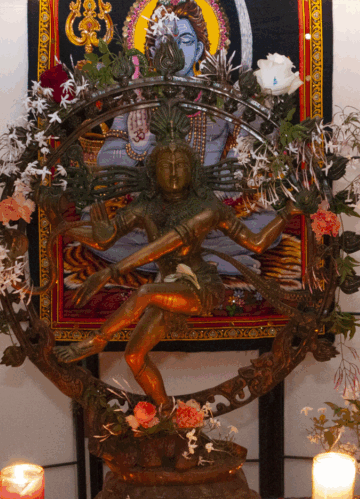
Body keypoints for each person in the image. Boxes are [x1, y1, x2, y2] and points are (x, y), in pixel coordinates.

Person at [52, 103, 297, 409]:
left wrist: (285, 214)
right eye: (165, 166)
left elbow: (257, 243)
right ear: (153, 171)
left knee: (145, 291)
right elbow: (104, 239)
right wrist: (67, 228)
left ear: (193, 169)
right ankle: (165, 412)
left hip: (199, 286)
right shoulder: (147, 206)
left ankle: (98, 340)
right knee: (133, 355)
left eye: (180, 164)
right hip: (165, 285)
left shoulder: (208, 208)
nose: (172, 172)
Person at [97, 0, 238, 169]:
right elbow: (104, 160)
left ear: (199, 50)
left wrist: (223, 183)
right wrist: (136, 148)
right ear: (152, 50)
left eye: (186, 41)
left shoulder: (219, 96)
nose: (174, 50)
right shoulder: (139, 100)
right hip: (153, 198)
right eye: (165, 40)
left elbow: (255, 144)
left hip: (209, 197)